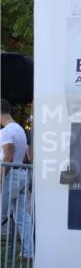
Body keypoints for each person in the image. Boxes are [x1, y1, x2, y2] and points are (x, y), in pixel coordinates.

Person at [0, 99, 32, 259]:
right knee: (22, 217)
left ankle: (27, 252)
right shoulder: (19, 129)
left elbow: (7, 156)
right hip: (21, 174)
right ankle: (28, 252)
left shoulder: (6, 132)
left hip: (9, 176)